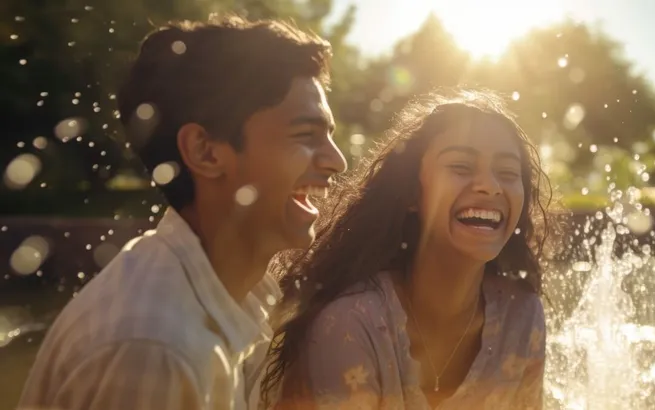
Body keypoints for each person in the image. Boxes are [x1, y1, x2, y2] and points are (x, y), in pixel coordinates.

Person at [18, 15, 346, 410]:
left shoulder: (242, 293)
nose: (338, 161)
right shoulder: (155, 350)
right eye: (306, 135)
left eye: (330, 135)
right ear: (205, 152)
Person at [262, 89, 553, 409]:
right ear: (413, 192)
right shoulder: (352, 322)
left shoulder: (522, 317)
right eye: (461, 166)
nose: (490, 185)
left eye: (508, 173)